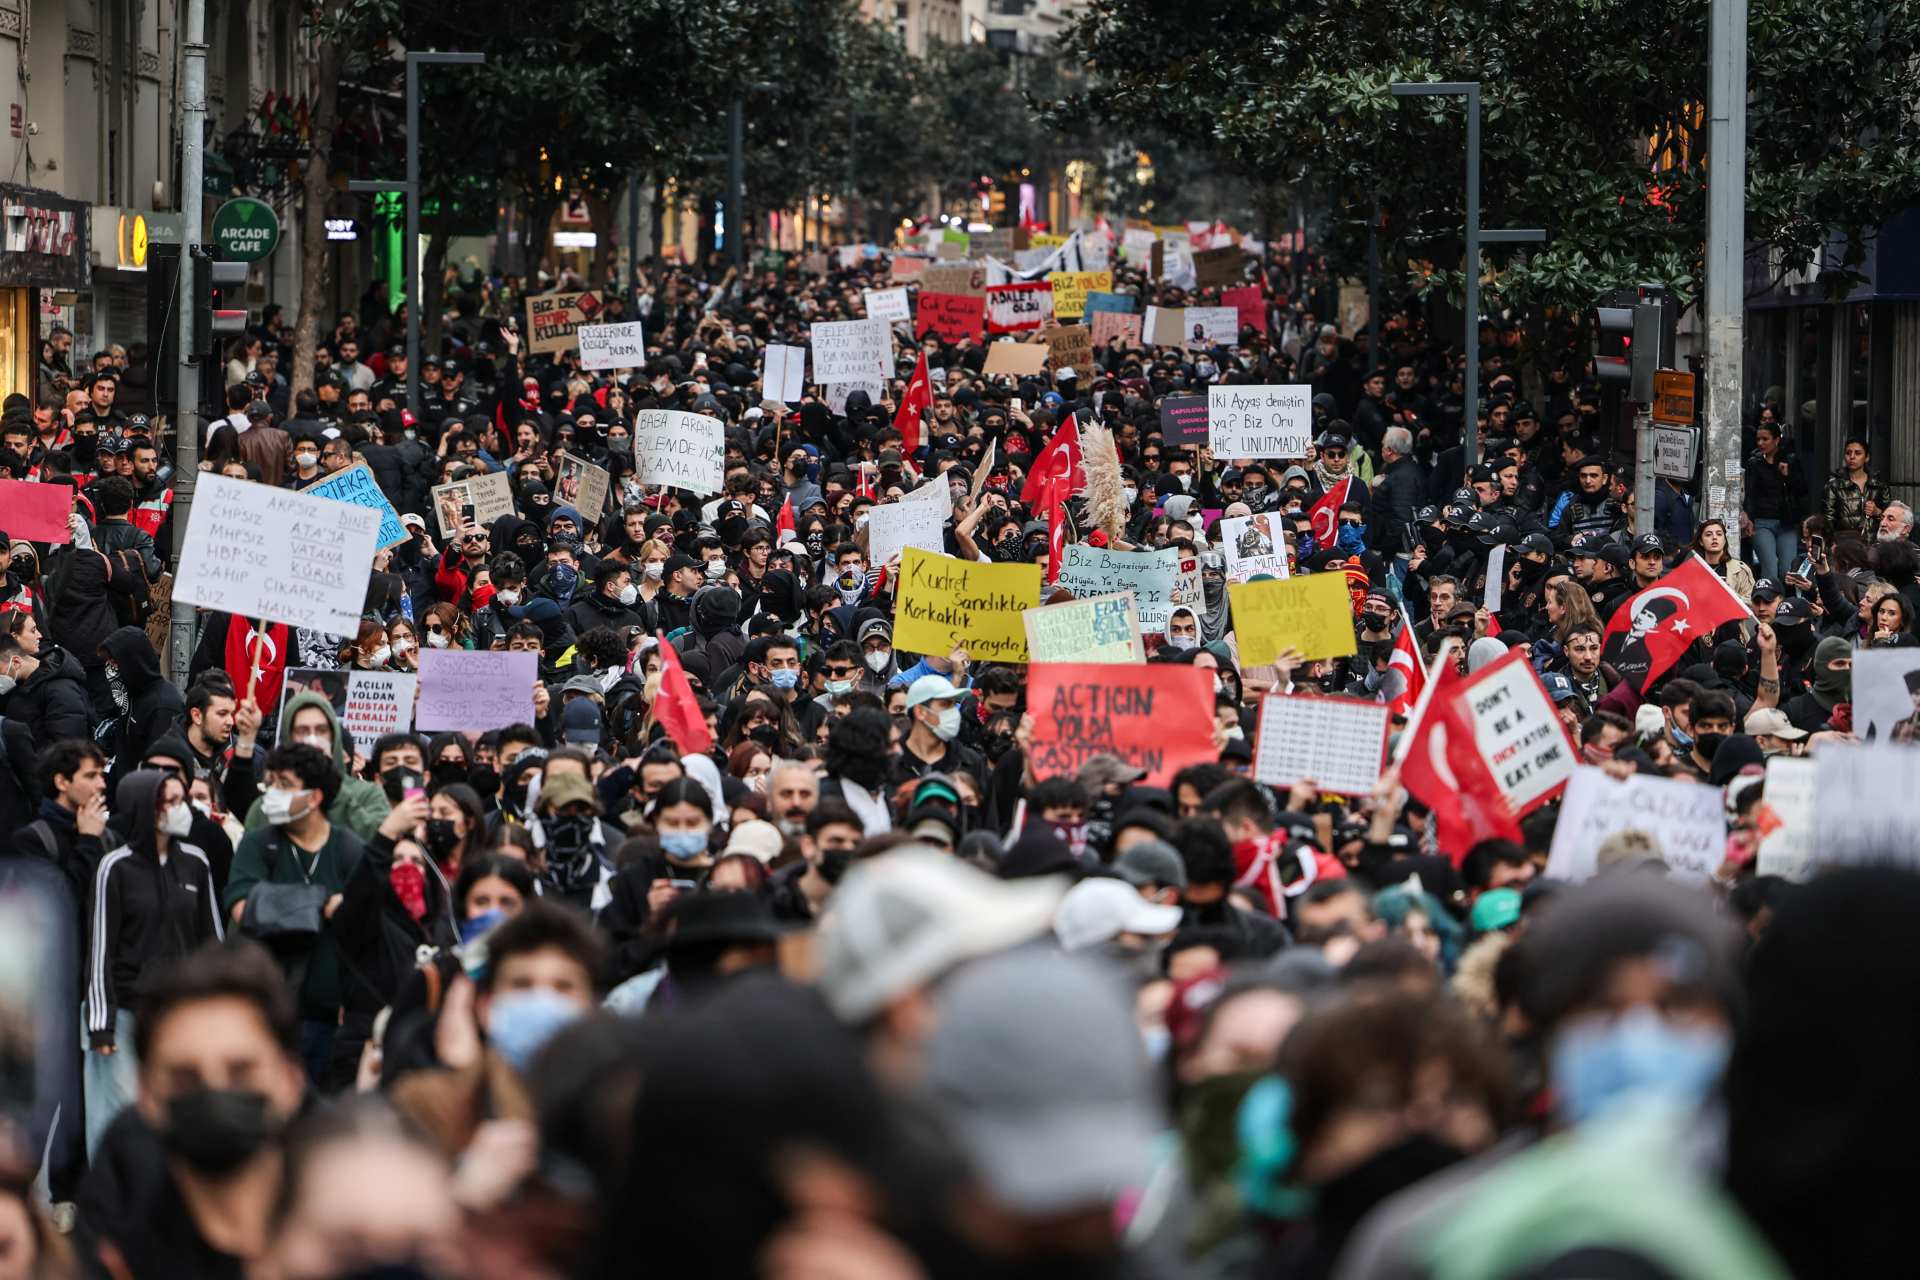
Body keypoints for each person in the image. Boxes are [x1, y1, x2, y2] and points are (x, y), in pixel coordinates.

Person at [76, 941, 308, 1278]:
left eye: (241, 1072)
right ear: (146, 1093)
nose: (215, 1092)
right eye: (186, 1078)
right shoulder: (125, 1174)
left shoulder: (344, 1197)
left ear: (291, 1080)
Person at [84, 769, 225, 1157]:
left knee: (177, 1113)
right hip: (126, 1014)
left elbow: (213, 942)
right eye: (173, 801)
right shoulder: (115, 867)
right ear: (145, 807)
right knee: (114, 1116)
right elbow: (100, 951)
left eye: (184, 800)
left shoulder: (196, 863)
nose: (184, 810)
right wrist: (101, 1025)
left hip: (180, 1014)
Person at [224, 743, 367, 1087]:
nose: (271, 792)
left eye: (284, 784)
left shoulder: (348, 848)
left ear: (314, 797)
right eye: (270, 782)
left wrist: (277, 903)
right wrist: (320, 903)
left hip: (332, 1015)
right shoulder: (260, 844)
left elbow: (364, 924)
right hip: (268, 1010)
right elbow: (244, 909)